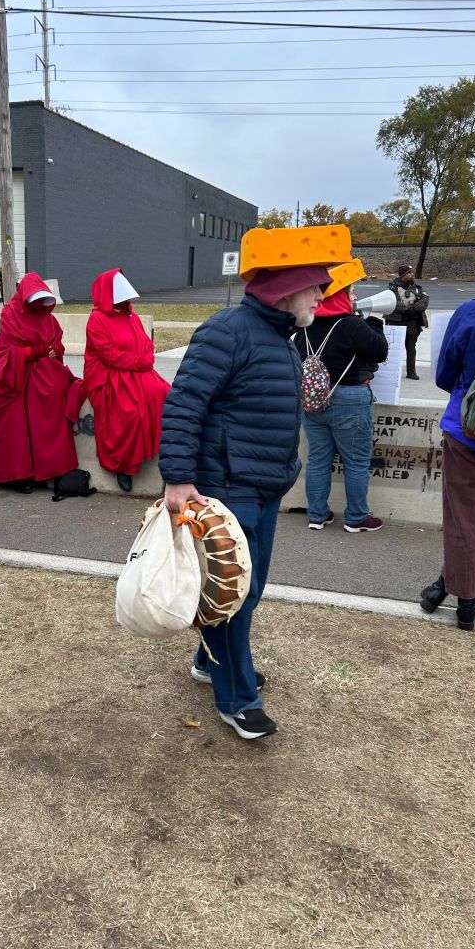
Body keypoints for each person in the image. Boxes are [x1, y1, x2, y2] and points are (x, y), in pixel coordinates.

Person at [160, 226, 350, 741]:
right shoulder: (228, 330)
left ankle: (209, 662)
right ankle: (237, 697)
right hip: (228, 488)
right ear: (286, 288)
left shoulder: (279, 338)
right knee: (235, 595)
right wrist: (177, 479)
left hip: (262, 488)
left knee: (243, 589)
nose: (320, 296)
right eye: (314, 287)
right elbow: (183, 404)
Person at [294, 258, 388, 533]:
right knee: (356, 461)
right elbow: (379, 351)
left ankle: (317, 514)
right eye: (351, 292)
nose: (354, 296)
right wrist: (374, 322)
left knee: (318, 459)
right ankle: (357, 517)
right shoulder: (352, 325)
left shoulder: (307, 324)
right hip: (350, 398)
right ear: (342, 296)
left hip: (313, 401)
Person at [420, 260, 475, 630]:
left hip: (466, 431)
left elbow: (445, 372)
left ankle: (463, 599)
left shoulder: (470, 314)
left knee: (462, 518)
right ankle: (446, 584)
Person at [0, 272, 84, 492]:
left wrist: (52, 350)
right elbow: (9, 350)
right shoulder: (10, 313)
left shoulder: (48, 318)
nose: (38, 304)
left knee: (54, 399)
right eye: (34, 299)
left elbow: (57, 346)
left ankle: (50, 468)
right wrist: (38, 351)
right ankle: (15, 475)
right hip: (11, 376)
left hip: (38, 373)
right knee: (14, 421)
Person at [84, 268, 170, 492]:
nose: (125, 302)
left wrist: (147, 356)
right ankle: (124, 465)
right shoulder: (96, 319)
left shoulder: (131, 315)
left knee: (163, 393)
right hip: (109, 373)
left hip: (136, 369)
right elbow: (108, 354)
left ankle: (152, 449)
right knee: (130, 410)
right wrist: (140, 363)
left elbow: (145, 341)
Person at [386, 263, 429, 380]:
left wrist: (414, 308)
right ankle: (391, 371)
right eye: (410, 272)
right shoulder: (392, 288)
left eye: (412, 272)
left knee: (411, 348)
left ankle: (411, 372)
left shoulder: (417, 288)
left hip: (412, 322)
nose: (412, 274)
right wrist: (406, 309)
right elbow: (391, 301)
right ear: (403, 275)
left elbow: (425, 300)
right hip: (396, 321)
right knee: (394, 348)